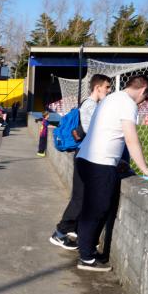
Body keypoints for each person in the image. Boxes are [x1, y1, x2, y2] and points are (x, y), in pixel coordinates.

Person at [76, 75, 148, 272]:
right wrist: (145, 168)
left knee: (93, 208)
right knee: (97, 209)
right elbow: (131, 139)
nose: (144, 100)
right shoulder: (127, 104)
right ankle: (86, 257)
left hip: (86, 159)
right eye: (147, 96)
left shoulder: (112, 98)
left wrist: (119, 161)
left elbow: (107, 132)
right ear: (143, 89)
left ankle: (86, 250)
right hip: (99, 163)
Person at [49, 74, 112, 250]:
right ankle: (60, 233)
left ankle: (75, 231)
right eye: (107, 87)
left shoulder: (92, 105)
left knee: (83, 197)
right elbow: (91, 132)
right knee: (80, 197)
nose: (109, 90)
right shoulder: (90, 106)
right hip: (85, 156)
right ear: (98, 87)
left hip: (86, 156)